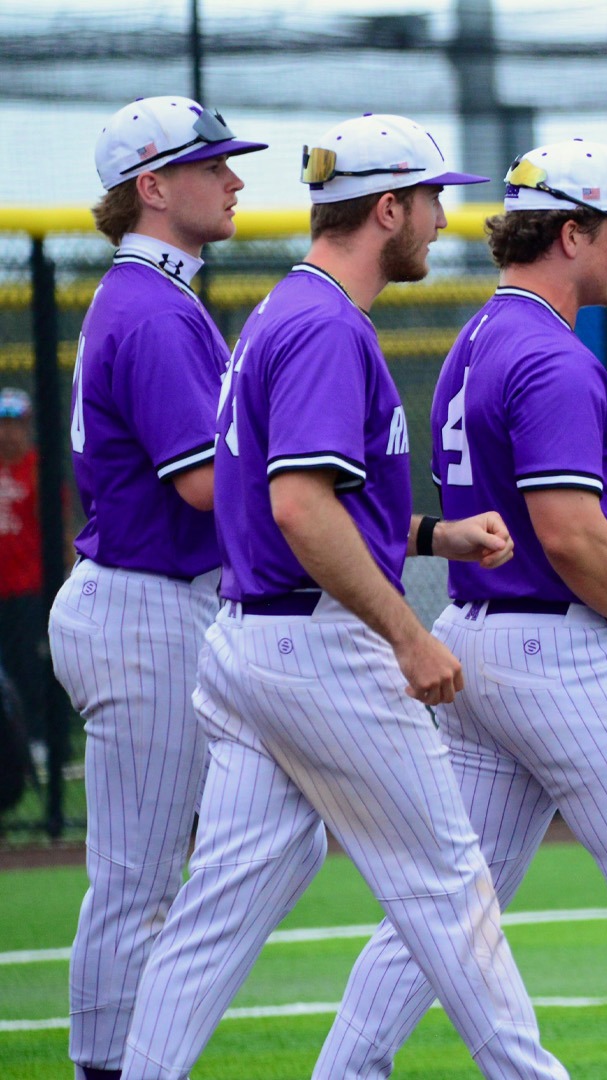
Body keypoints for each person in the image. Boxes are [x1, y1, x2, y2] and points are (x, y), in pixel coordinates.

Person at [118, 114, 573, 1080]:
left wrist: (430, 538)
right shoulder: (326, 325)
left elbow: (298, 506)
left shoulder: (285, 308)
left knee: (228, 899)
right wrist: (409, 633)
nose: (443, 219)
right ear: (388, 207)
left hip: (249, 644)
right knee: (451, 885)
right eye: (433, 199)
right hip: (318, 650)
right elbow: (299, 509)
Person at [313, 138, 607, 1079]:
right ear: (571, 232)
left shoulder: (479, 338)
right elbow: (572, 536)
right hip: (557, 650)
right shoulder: (551, 356)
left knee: (451, 904)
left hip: (483, 643)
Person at [50, 97, 265, 1080]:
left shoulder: (152, 298)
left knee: (197, 864)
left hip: (151, 599)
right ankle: (107, 1070)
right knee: (135, 883)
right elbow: (205, 483)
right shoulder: (152, 306)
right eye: (213, 165)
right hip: (143, 604)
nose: (234, 180)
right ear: (153, 185)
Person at [0, 388, 46, 821]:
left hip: (28, 589)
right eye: (3, 423)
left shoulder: (37, 471)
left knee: (30, 667)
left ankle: (39, 740)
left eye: (16, 423)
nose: (8, 432)